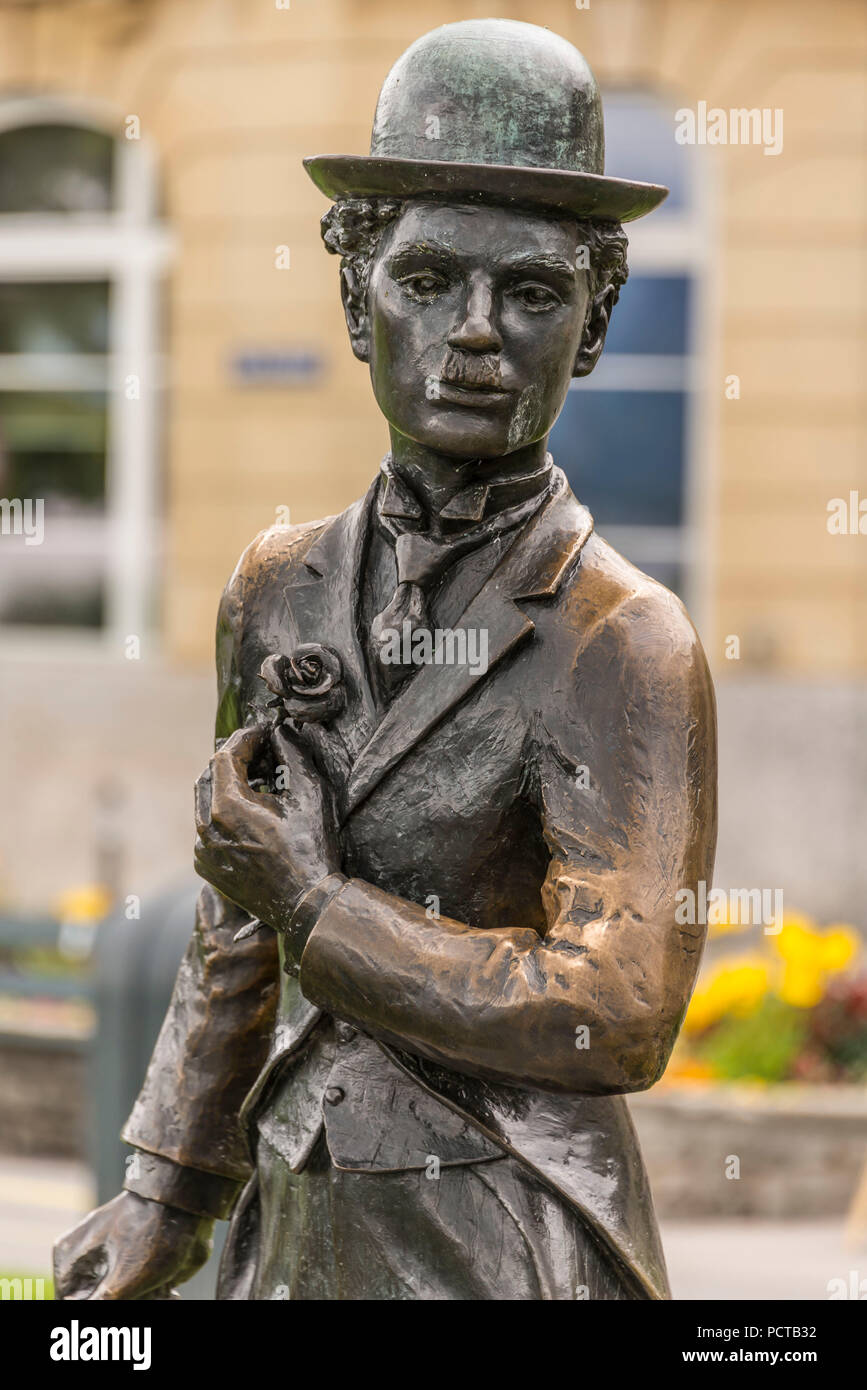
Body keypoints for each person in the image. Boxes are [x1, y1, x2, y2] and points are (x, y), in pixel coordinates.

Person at [55, 19, 716, 1302]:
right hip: (292, 1218)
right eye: (427, 282)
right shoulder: (277, 583)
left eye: (532, 293)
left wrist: (319, 904)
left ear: (592, 328)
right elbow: (233, 925)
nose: (477, 333)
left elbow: (617, 1008)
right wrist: (163, 1194)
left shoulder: (623, 638)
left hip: (505, 1227)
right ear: (357, 304)